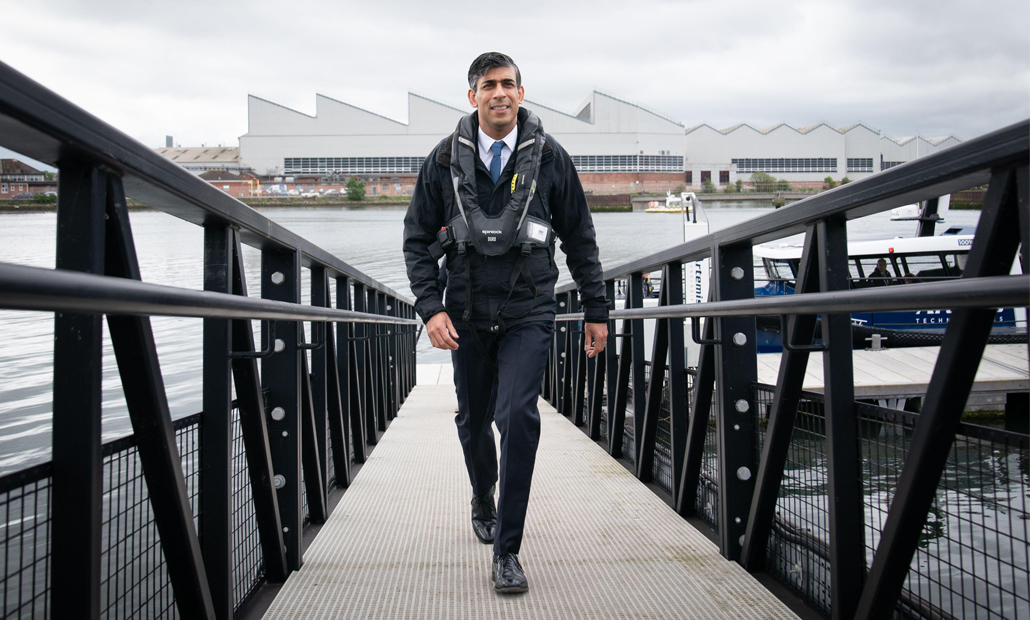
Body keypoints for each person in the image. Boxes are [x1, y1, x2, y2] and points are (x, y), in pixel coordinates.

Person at [403, 52, 608, 594]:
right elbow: (416, 241)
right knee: (473, 422)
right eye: (488, 85)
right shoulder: (444, 159)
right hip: (464, 314)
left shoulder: (551, 159)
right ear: (472, 96)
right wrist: (431, 307)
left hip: (528, 310)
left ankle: (507, 552)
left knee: (517, 418)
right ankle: (481, 494)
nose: (499, 93)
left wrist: (596, 309)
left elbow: (581, 236)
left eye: (508, 84)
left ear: (522, 92)